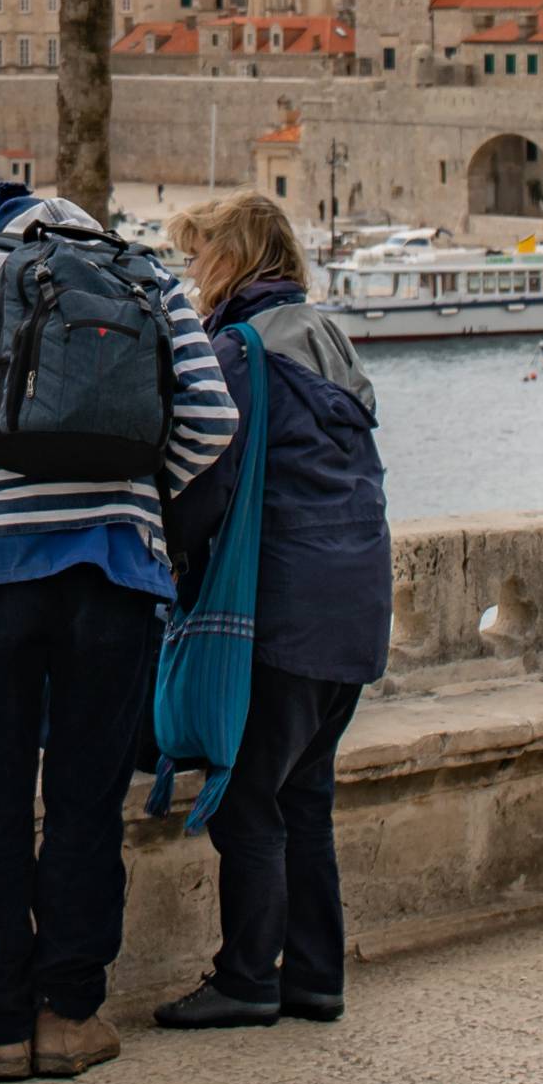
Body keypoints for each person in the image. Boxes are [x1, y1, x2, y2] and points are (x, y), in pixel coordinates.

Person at [0, 181, 238, 1083]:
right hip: (114, 572)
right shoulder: (144, 274)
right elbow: (212, 420)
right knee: (84, 801)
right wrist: (141, 493)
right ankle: (68, 1014)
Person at [153, 191, 391, 1032]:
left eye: (198, 256)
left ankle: (249, 975)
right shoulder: (327, 336)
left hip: (286, 611)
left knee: (250, 796)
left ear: (231, 259)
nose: (191, 274)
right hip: (357, 606)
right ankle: (315, 976)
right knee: (305, 796)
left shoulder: (239, 351)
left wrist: (163, 555)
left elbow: (205, 483)